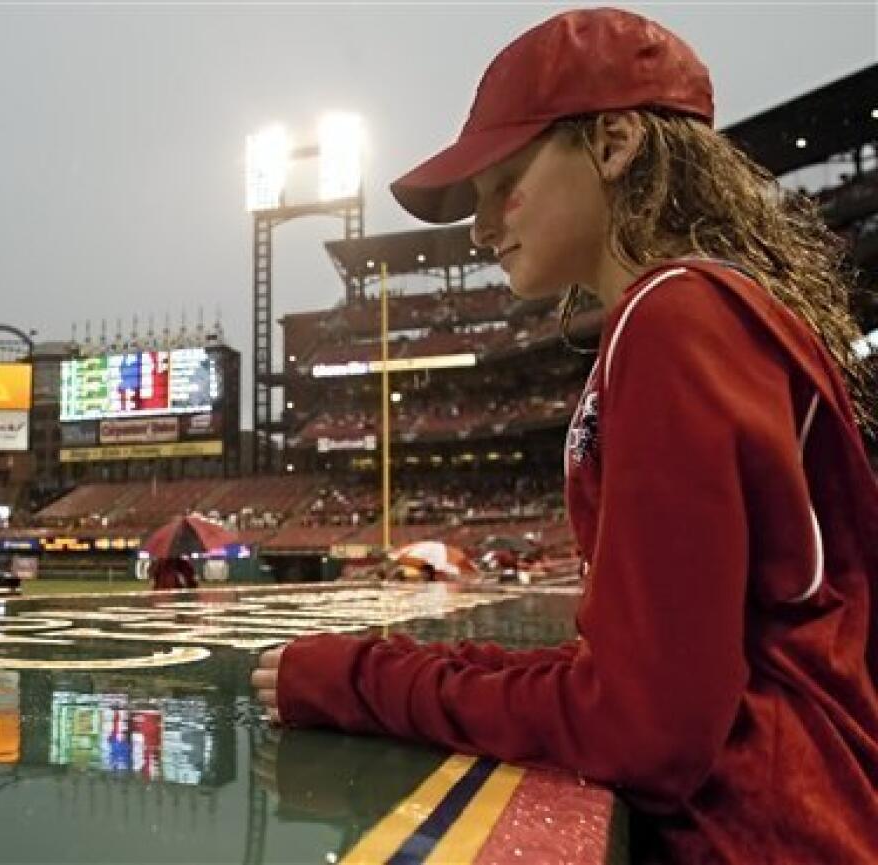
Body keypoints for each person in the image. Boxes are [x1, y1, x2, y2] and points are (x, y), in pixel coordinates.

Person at [252, 9, 878, 864]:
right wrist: (372, 660)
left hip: (770, 834)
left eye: (499, 182)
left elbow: (641, 728)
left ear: (615, 142)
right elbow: (634, 678)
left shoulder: (674, 318)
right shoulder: (700, 308)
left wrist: (365, 684)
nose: (477, 227)